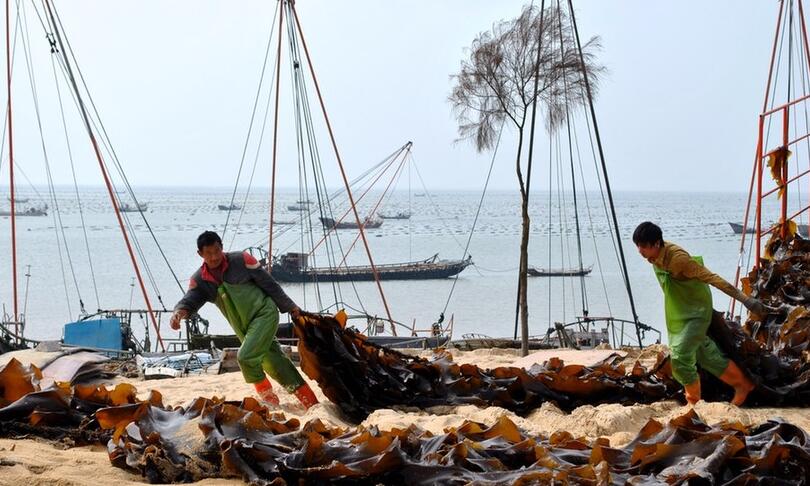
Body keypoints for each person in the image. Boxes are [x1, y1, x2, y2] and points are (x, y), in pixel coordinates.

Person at [170, 231, 318, 409]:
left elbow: (270, 284)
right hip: (244, 328)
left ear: (222, 247)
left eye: (217, 251)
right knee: (274, 362)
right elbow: (189, 300)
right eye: (209, 253)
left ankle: (270, 402)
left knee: (245, 357)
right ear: (200, 254)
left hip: (265, 313)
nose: (214, 256)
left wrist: (291, 307)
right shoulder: (200, 280)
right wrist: (178, 313)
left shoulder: (242, 260)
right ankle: (312, 404)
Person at [633, 222, 761, 406]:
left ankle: (693, 403)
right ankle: (743, 385)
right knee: (705, 353)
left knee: (680, 356)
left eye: (643, 246)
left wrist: (745, 299)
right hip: (679, 311)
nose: (640, 251)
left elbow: (713, 278)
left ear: (656, 244)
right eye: (637, 246)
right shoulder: (654, 256)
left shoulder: (679, 260)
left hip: (696, 311)